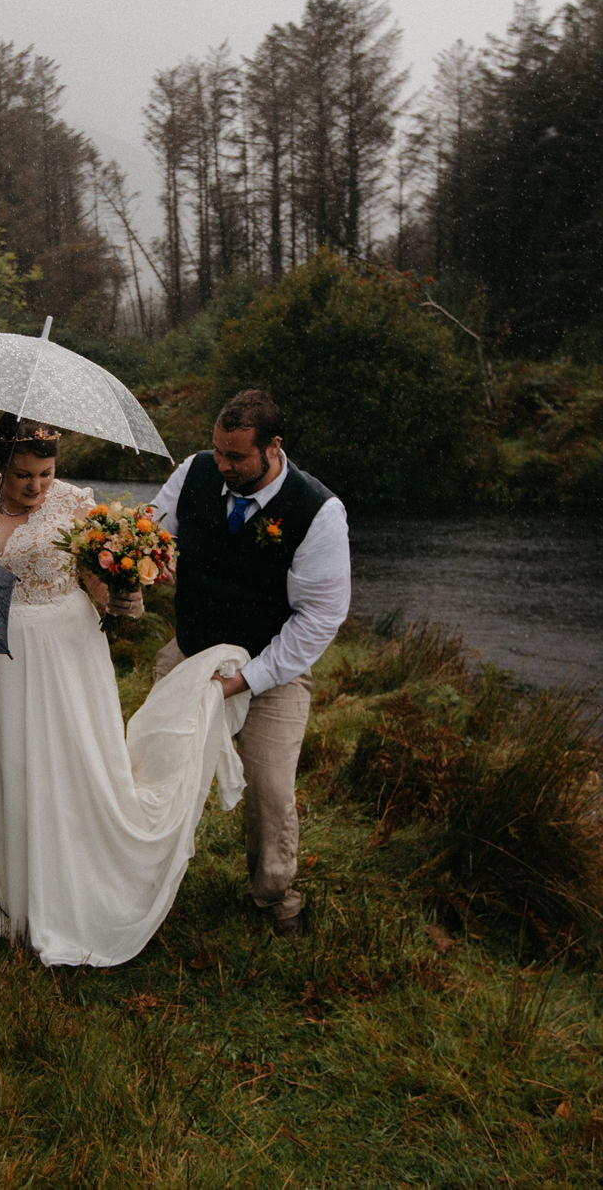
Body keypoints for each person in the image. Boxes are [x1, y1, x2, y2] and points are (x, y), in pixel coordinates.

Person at [0, 414, 249, 966]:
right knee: (11, 768)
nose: (36, 487)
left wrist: (126, 598)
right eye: (23, 476)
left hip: (67, 654)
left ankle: (78, 902)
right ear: (0, 466)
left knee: (72, 770)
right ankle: (22, 907)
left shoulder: (76, 502)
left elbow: (103, 589)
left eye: (46, 473)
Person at [148, 389, 351, 939]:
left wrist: (245, 679)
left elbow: (319, 619)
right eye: (218, 451)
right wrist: (146, 567)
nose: (223, 465)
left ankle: (274, 894)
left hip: (272, 666)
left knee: (269, 787)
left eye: (236, 457)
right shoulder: (192, 474)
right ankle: (144, 881)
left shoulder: (318, 511)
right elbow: (151, 535)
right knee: (155, 762)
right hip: (191, 650)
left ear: (273, 448)